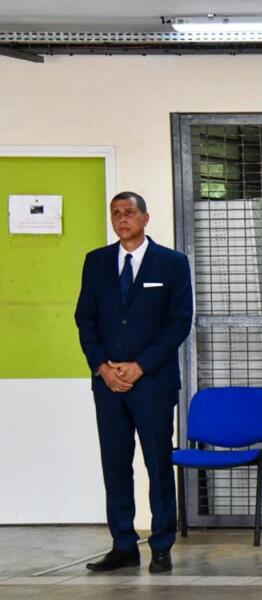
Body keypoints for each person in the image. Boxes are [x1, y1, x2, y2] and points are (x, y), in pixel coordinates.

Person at [74, 191, 194, 574]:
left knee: (158, 463)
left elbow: (179, 322)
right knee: (115, 465)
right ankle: (123, 544)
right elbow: (85, 319)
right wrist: (101, 367)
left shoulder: (172, 263)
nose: (122, 219)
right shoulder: (96, 262)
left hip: (152, 383)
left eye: (129, 212)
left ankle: (161, 545)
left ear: (145, 218)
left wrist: (141, 366)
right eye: (116, 213)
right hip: (108, 384)